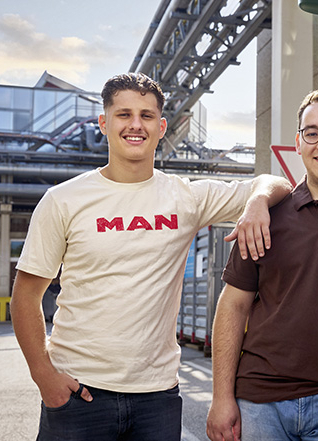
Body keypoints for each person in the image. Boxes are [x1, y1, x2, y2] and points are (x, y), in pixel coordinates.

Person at [11, 72, 292, 441]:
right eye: (124, 114)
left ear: (161, 127)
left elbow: (277, 183)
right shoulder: (64, 199)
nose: (135, 125)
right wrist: (45, 378)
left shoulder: (186, 198)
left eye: (146, 116)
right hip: (79, 394)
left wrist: (256, 202)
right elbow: (25, 297)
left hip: (156, 398)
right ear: (104, 123)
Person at [206, 90, 318, 441]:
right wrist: (221, 397)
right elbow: (233, 305)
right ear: (298, 142)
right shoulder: (265, 217)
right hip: (259, 401)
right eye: (312, 133)